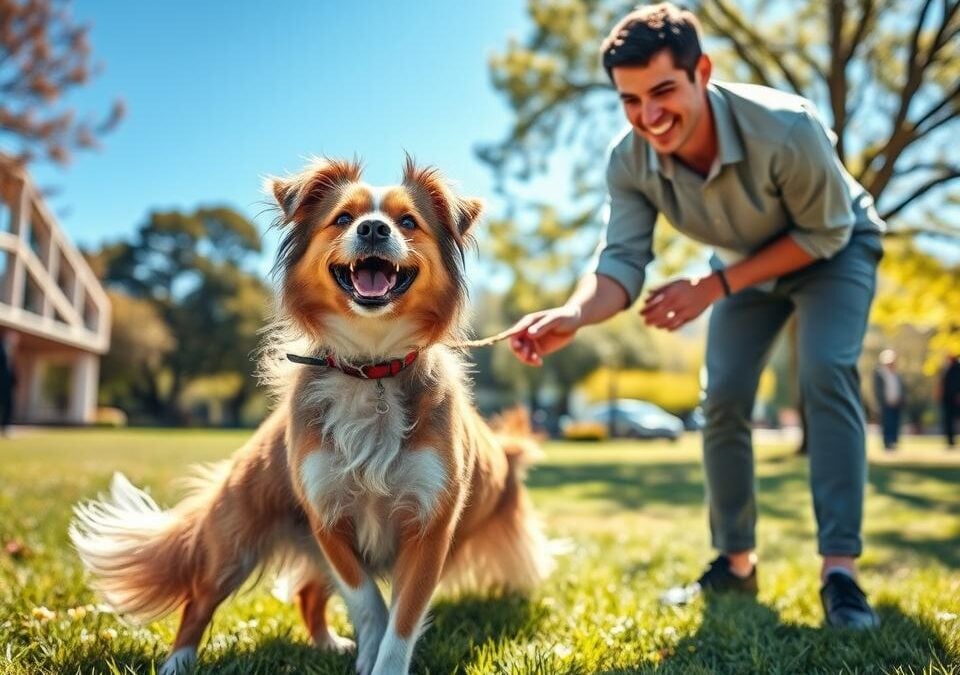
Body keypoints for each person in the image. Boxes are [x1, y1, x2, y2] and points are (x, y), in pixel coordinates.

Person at [506, 3, 884, 629]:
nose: (649, 117)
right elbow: (621, 262)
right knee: (723, 398)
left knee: (825, 371)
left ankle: (839, 573)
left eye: (663, 91)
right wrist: (573, 315)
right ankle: (736, 561)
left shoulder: (787, 127)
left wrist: (715, 284)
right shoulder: (629, 160)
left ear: (701, 71)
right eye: (630, 101)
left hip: (834, 250)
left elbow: (825, 233)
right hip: (738, 268)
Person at [872, 349, 905, 451]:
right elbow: (877, 390)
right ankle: (887, 443)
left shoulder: (896, 374)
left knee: (895, 423)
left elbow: (901, 388)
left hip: (896, 403)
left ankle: (894, 442)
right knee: (887, 424)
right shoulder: (879, 373)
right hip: (885, 404)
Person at [938, 354, 960, 449]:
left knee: (951, 420)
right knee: (948, 421)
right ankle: (950, 441)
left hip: (955, 399)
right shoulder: (946, 369)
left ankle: (951, 441)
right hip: (947, 400)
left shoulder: (957, 369)